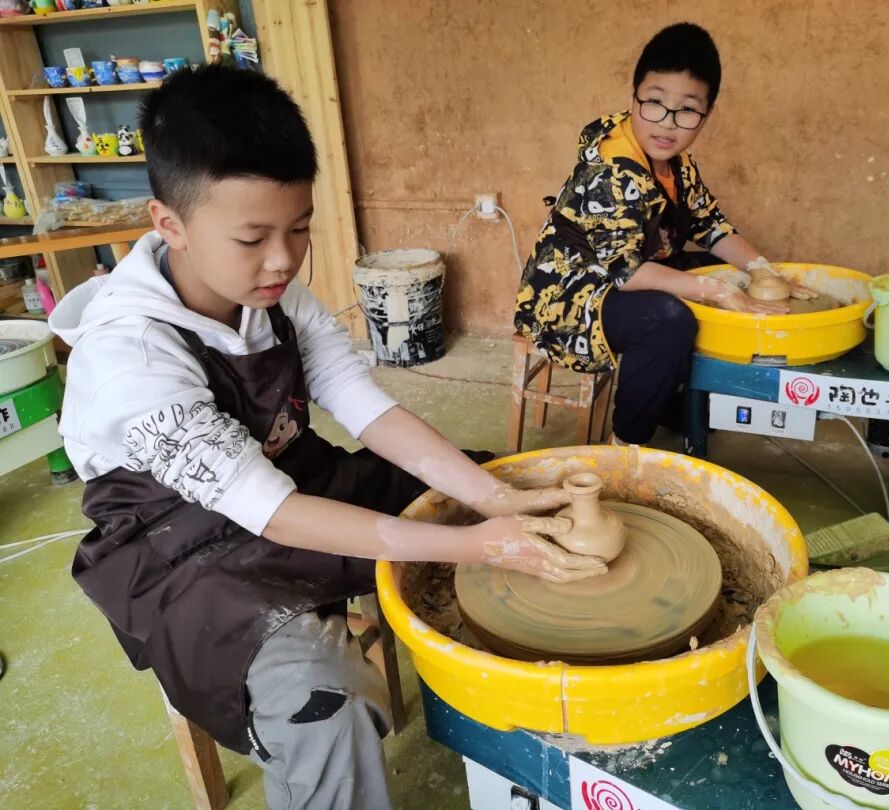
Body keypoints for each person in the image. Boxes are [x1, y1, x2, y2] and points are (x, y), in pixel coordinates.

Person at [49, 65, 604, 810]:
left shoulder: (272, 292)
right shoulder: (132, 359)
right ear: (169, 223)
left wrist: (491, 497)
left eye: (299, 227)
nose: (284, 259)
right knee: (323, 706)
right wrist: (480, 545)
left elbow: (363, 406)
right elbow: (272, 513)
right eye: (253, 237)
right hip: (180, 550)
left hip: (288, 479)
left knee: (486, 485)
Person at [515, 22, 814, 447]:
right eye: (655, 103)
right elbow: (626, 273)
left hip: (628, 273)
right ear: (634, 96)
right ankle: (626, 442)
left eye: (687, 110)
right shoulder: (611, 168)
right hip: (570, 295)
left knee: (723, 273)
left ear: (707, 113)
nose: (668, 124)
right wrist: (714, 290)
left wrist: (762, 271)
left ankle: (675, 400)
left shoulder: (677, 163)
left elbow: (711, 225)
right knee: (669, 319)